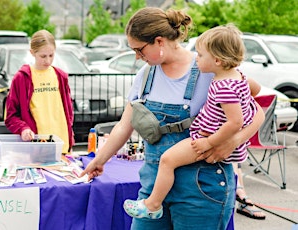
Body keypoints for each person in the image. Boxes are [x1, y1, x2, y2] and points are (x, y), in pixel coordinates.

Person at [80, 7, 264, 230]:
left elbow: (256, 110)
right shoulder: (145, 76)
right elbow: (123, 126)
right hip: (153, 189)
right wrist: (98, 161)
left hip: (202, 192)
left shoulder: (210, 66)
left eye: (140, 50)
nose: (138, 57)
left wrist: (234, 141)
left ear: (159, 41)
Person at [122, 24, 258, 220]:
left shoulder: (222, 84)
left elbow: (237, 121)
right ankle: (153, 202)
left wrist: (213, 142)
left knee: (168, 160)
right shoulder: (236, 78)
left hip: (204, 151)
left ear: (218, 60)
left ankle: (152, 204)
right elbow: (254, 95)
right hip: (194, 152)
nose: (197, 57)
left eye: (201, 55)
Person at [5, 29, 74, 154]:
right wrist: (23, 129)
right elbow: (10, 116)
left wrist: (70, 138)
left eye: (51, 55)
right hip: (36, 148)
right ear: (32, 52)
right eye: (43, 56)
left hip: (62, 146)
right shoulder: (21, 78)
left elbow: (68, 113)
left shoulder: (60, 76)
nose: (47, 61)